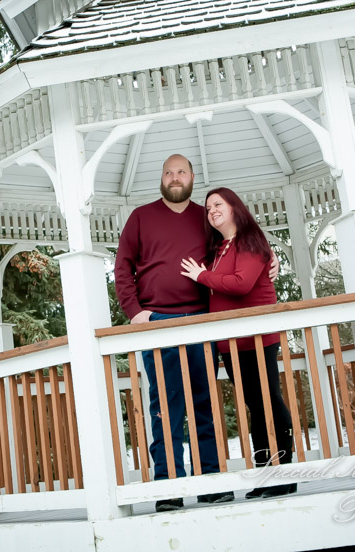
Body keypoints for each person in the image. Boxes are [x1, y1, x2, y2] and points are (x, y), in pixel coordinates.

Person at [114, 154, 233, 513]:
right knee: (165, 408)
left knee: (204, 405)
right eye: (169, 172)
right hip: (159, 323)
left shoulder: (206, 216)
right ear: (162, 179)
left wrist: (269, 261)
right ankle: (169, 487)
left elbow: (236, 246)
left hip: (201, 320)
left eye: (181, 171)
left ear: (192, 177)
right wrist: (135, 312)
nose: (175, 177)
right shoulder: (140, 218)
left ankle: (211, 482)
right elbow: (122, 268)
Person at [180, 187, 297, 499]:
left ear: (234, 207)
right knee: (256, 407)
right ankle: (265, 476)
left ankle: (284, 473)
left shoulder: (250, 240)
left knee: (269, 401)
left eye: (218, 204)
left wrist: (201, 276)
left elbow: (241, 284)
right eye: (207, 208)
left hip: (257, 338)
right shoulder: (220, 248)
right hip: (231, 344)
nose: (212, 211)